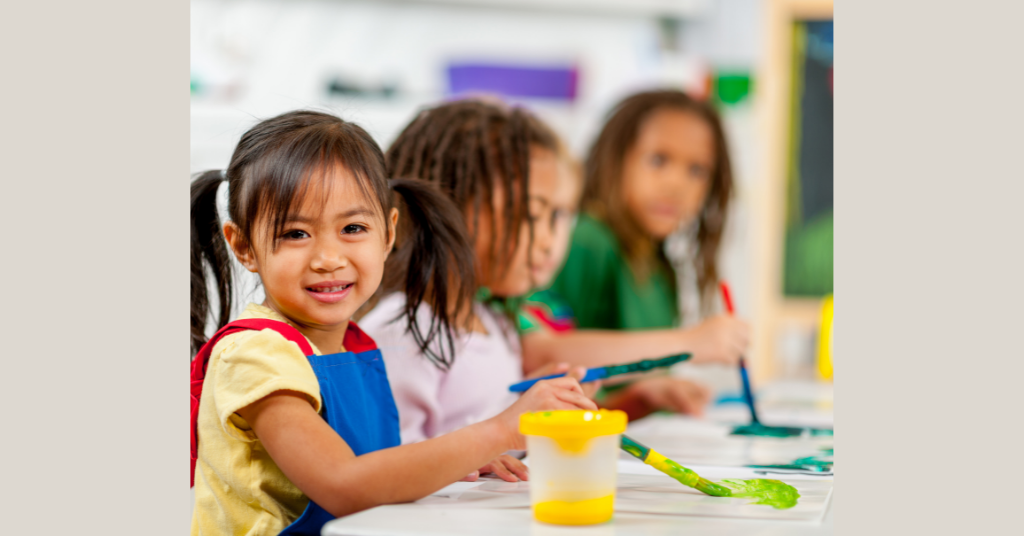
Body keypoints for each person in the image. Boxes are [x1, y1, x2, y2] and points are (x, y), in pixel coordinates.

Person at [189, 110, 596, 536]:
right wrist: (499, 431)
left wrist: (454, 463)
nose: (328, 258)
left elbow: (376, 468)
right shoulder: (255, 355)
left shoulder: (351, 345)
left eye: (353, 227)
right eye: (295, 233)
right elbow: (343, 483)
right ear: (243, 246)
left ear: (388, 235)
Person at [543, 90, 751, 415]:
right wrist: (691, 343)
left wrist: (650, 394)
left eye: (697, 170)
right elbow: (551, 378)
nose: (676, 184)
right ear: (615, 159)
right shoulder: (590, 242)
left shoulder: (657, 260)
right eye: (658, 160)